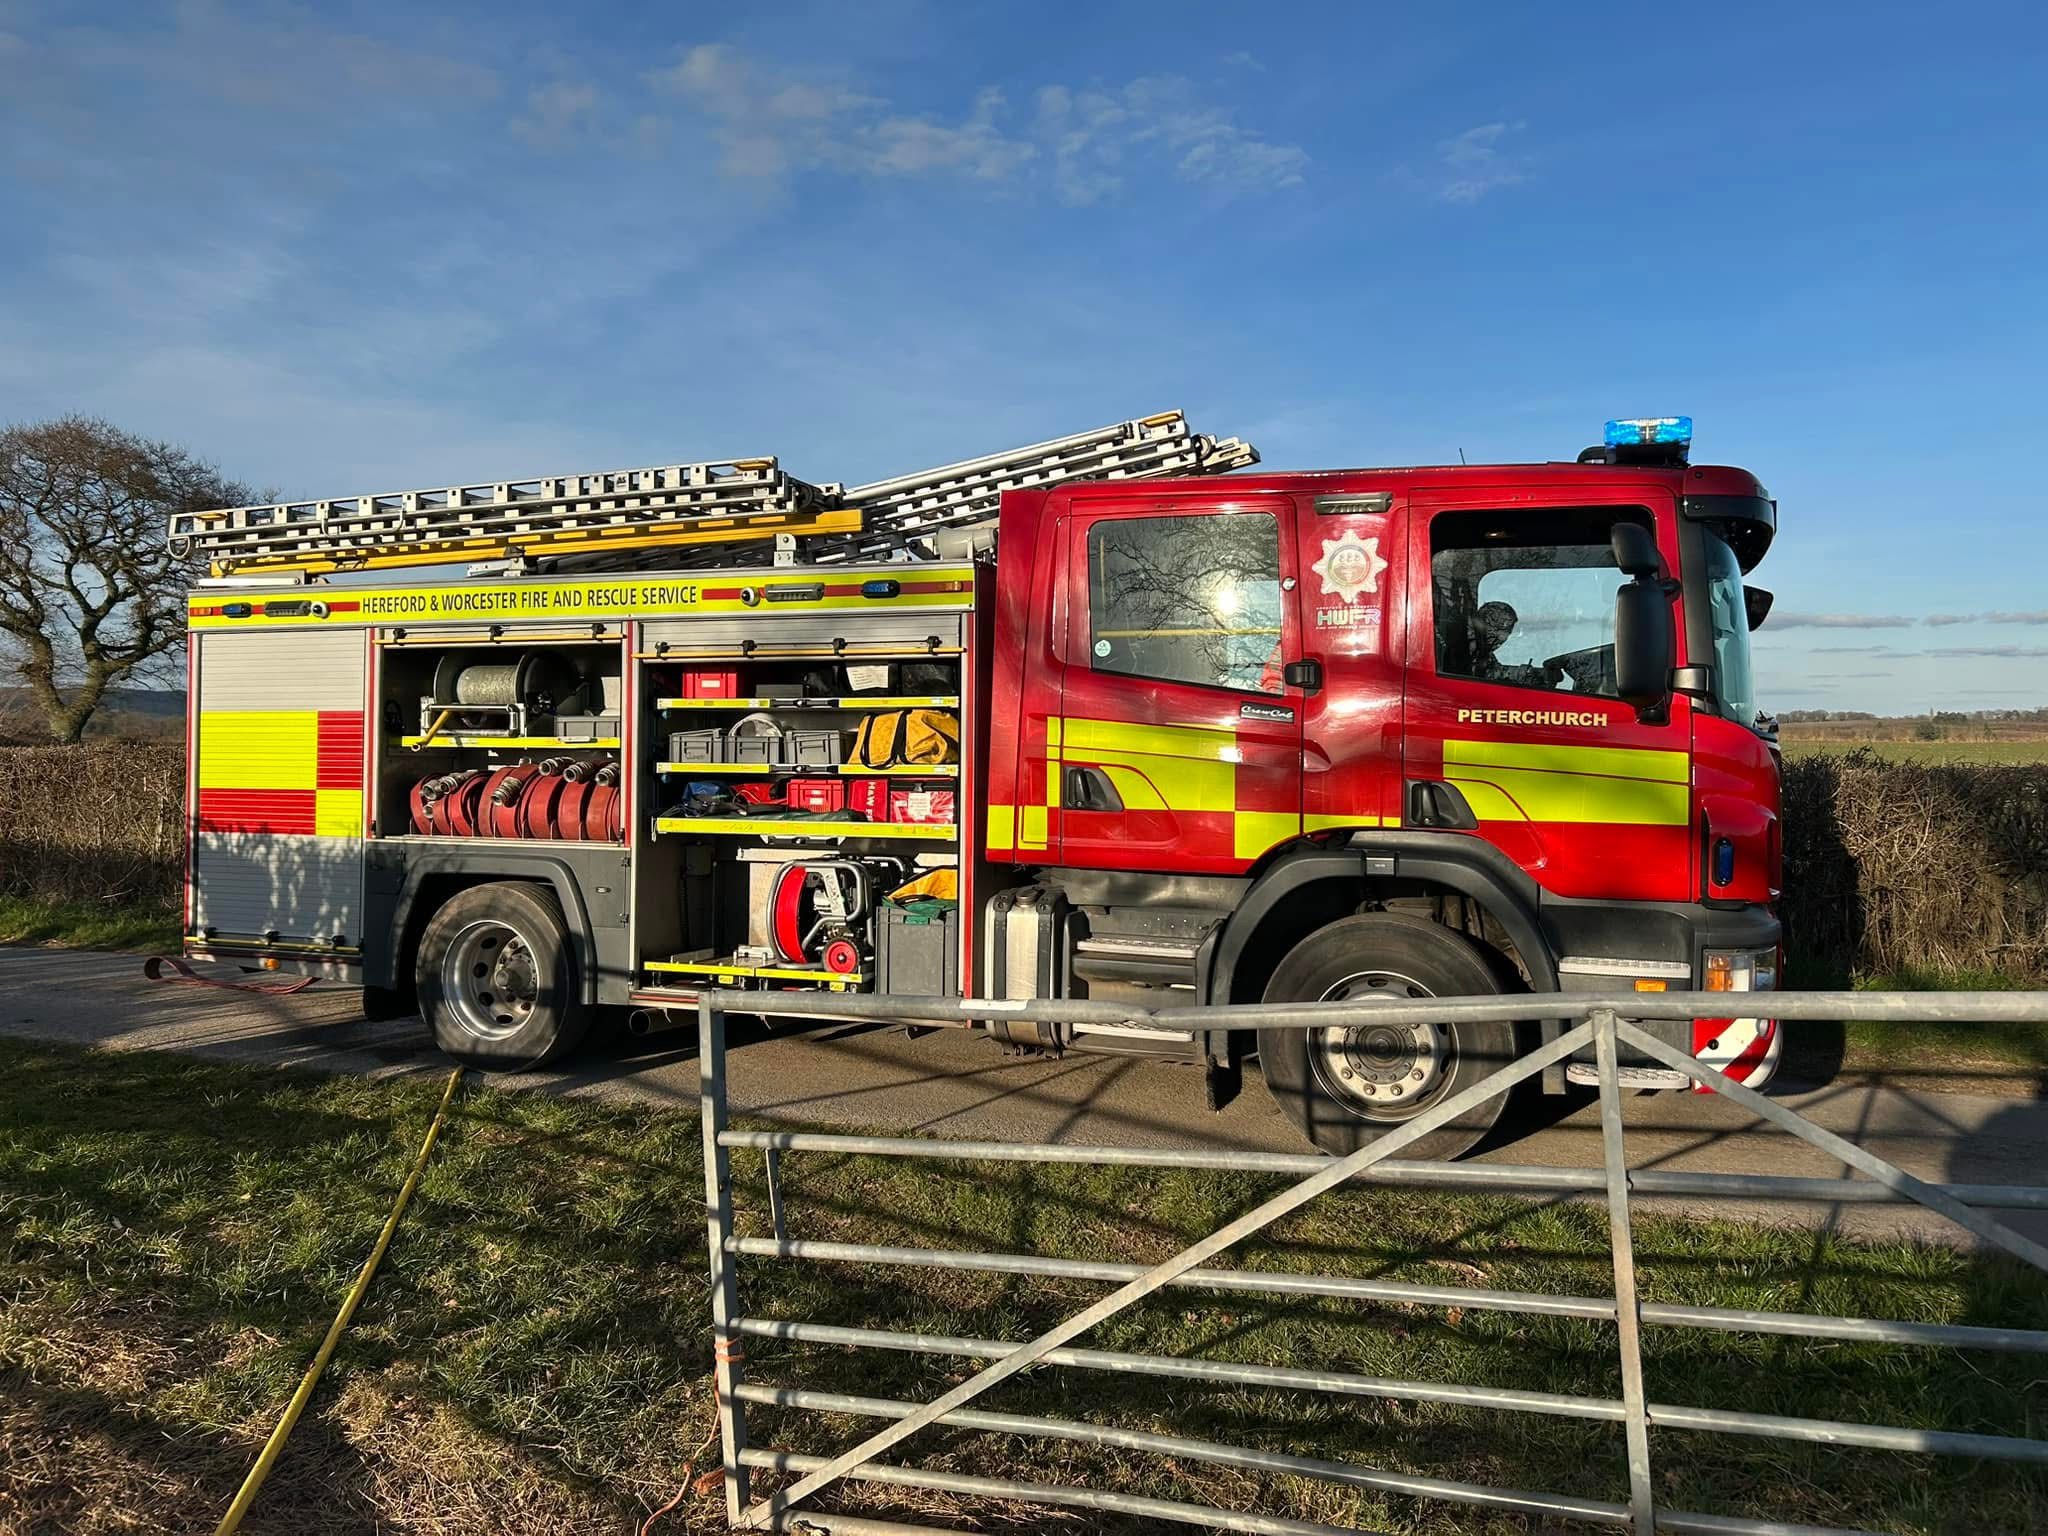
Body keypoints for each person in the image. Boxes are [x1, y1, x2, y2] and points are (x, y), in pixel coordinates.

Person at [1470, 600, 1562, 688]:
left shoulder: (1482, 651)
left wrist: (1534, 673)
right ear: (1492, 629)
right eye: (1504, 632)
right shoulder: (1466, 648)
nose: (1505, 638)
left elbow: (1494, 672)